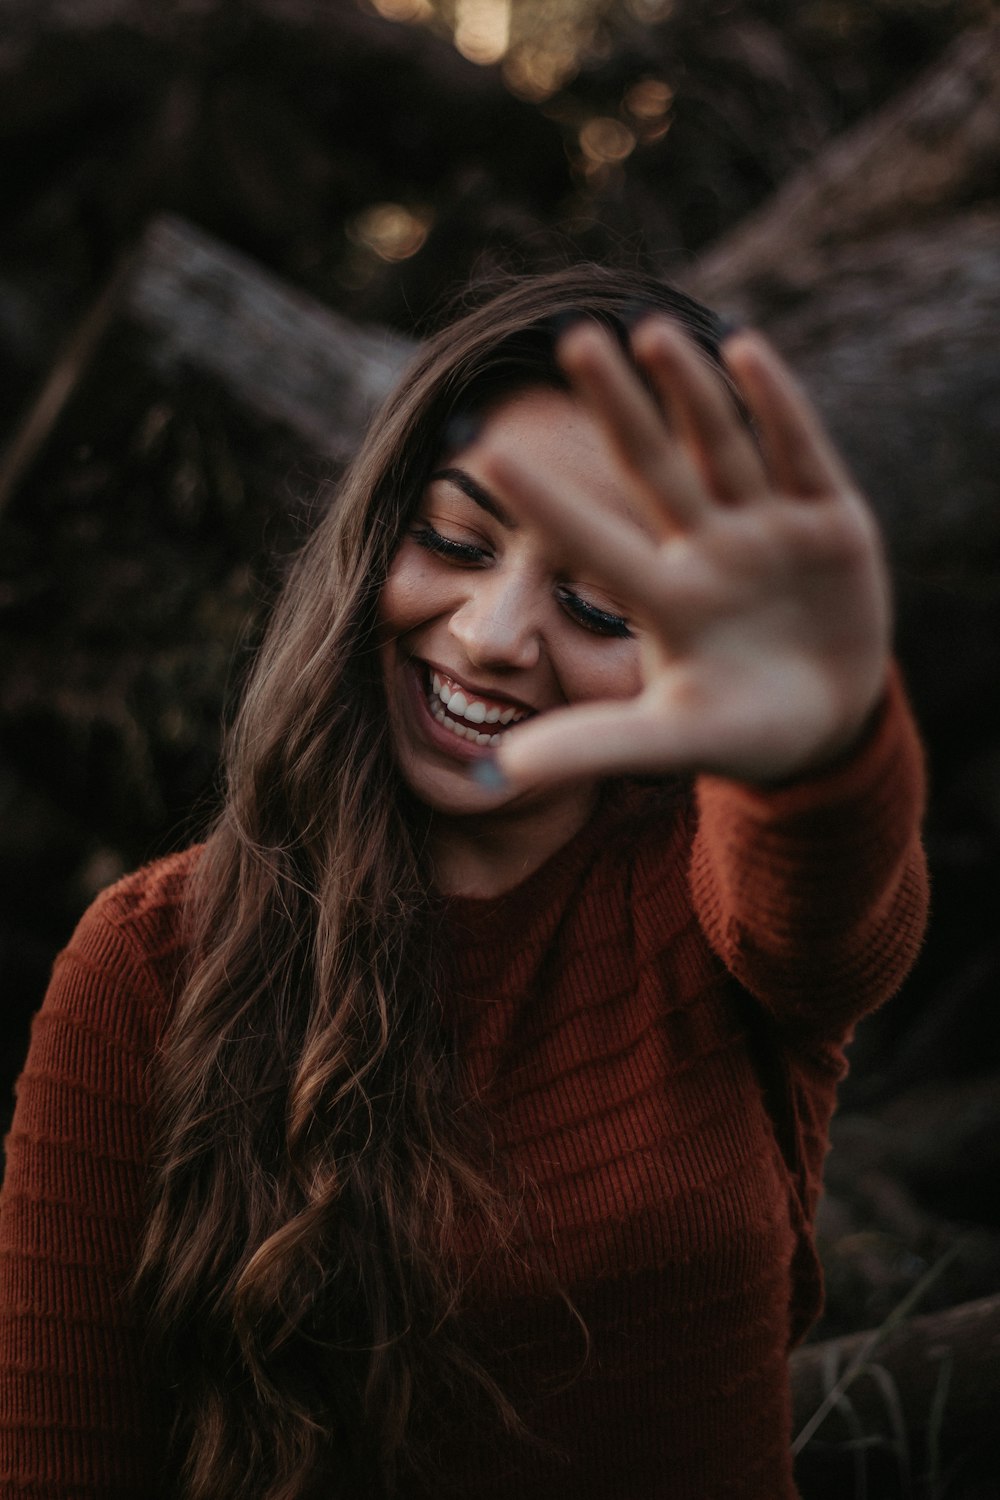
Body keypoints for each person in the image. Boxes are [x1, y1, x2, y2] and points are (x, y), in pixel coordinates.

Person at [0, 265, 927, 1500]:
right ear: (376, 528)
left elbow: (834, 911)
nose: (493, 635)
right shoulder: (148, 958)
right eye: (453, 538)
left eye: (601, 602)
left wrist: (825, 736)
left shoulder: (715, 899)